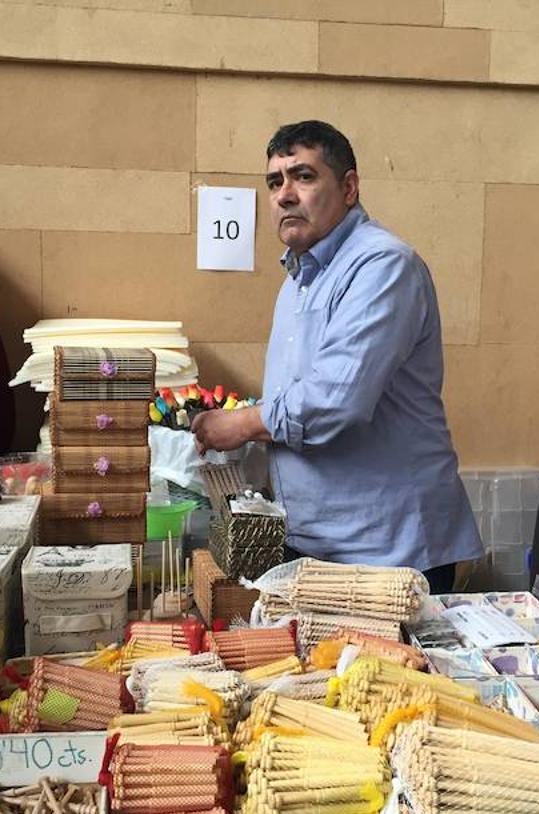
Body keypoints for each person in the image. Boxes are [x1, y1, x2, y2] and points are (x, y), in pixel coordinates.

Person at [191, 120, 482, 593]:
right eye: (274, 182)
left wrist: (242, 424)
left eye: (303, 176)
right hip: (316, 543)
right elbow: (297, 398)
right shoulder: (297, 283)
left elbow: (334, 402)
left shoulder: (383, 267)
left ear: (348, 188)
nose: (285, 195)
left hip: (388, 553)